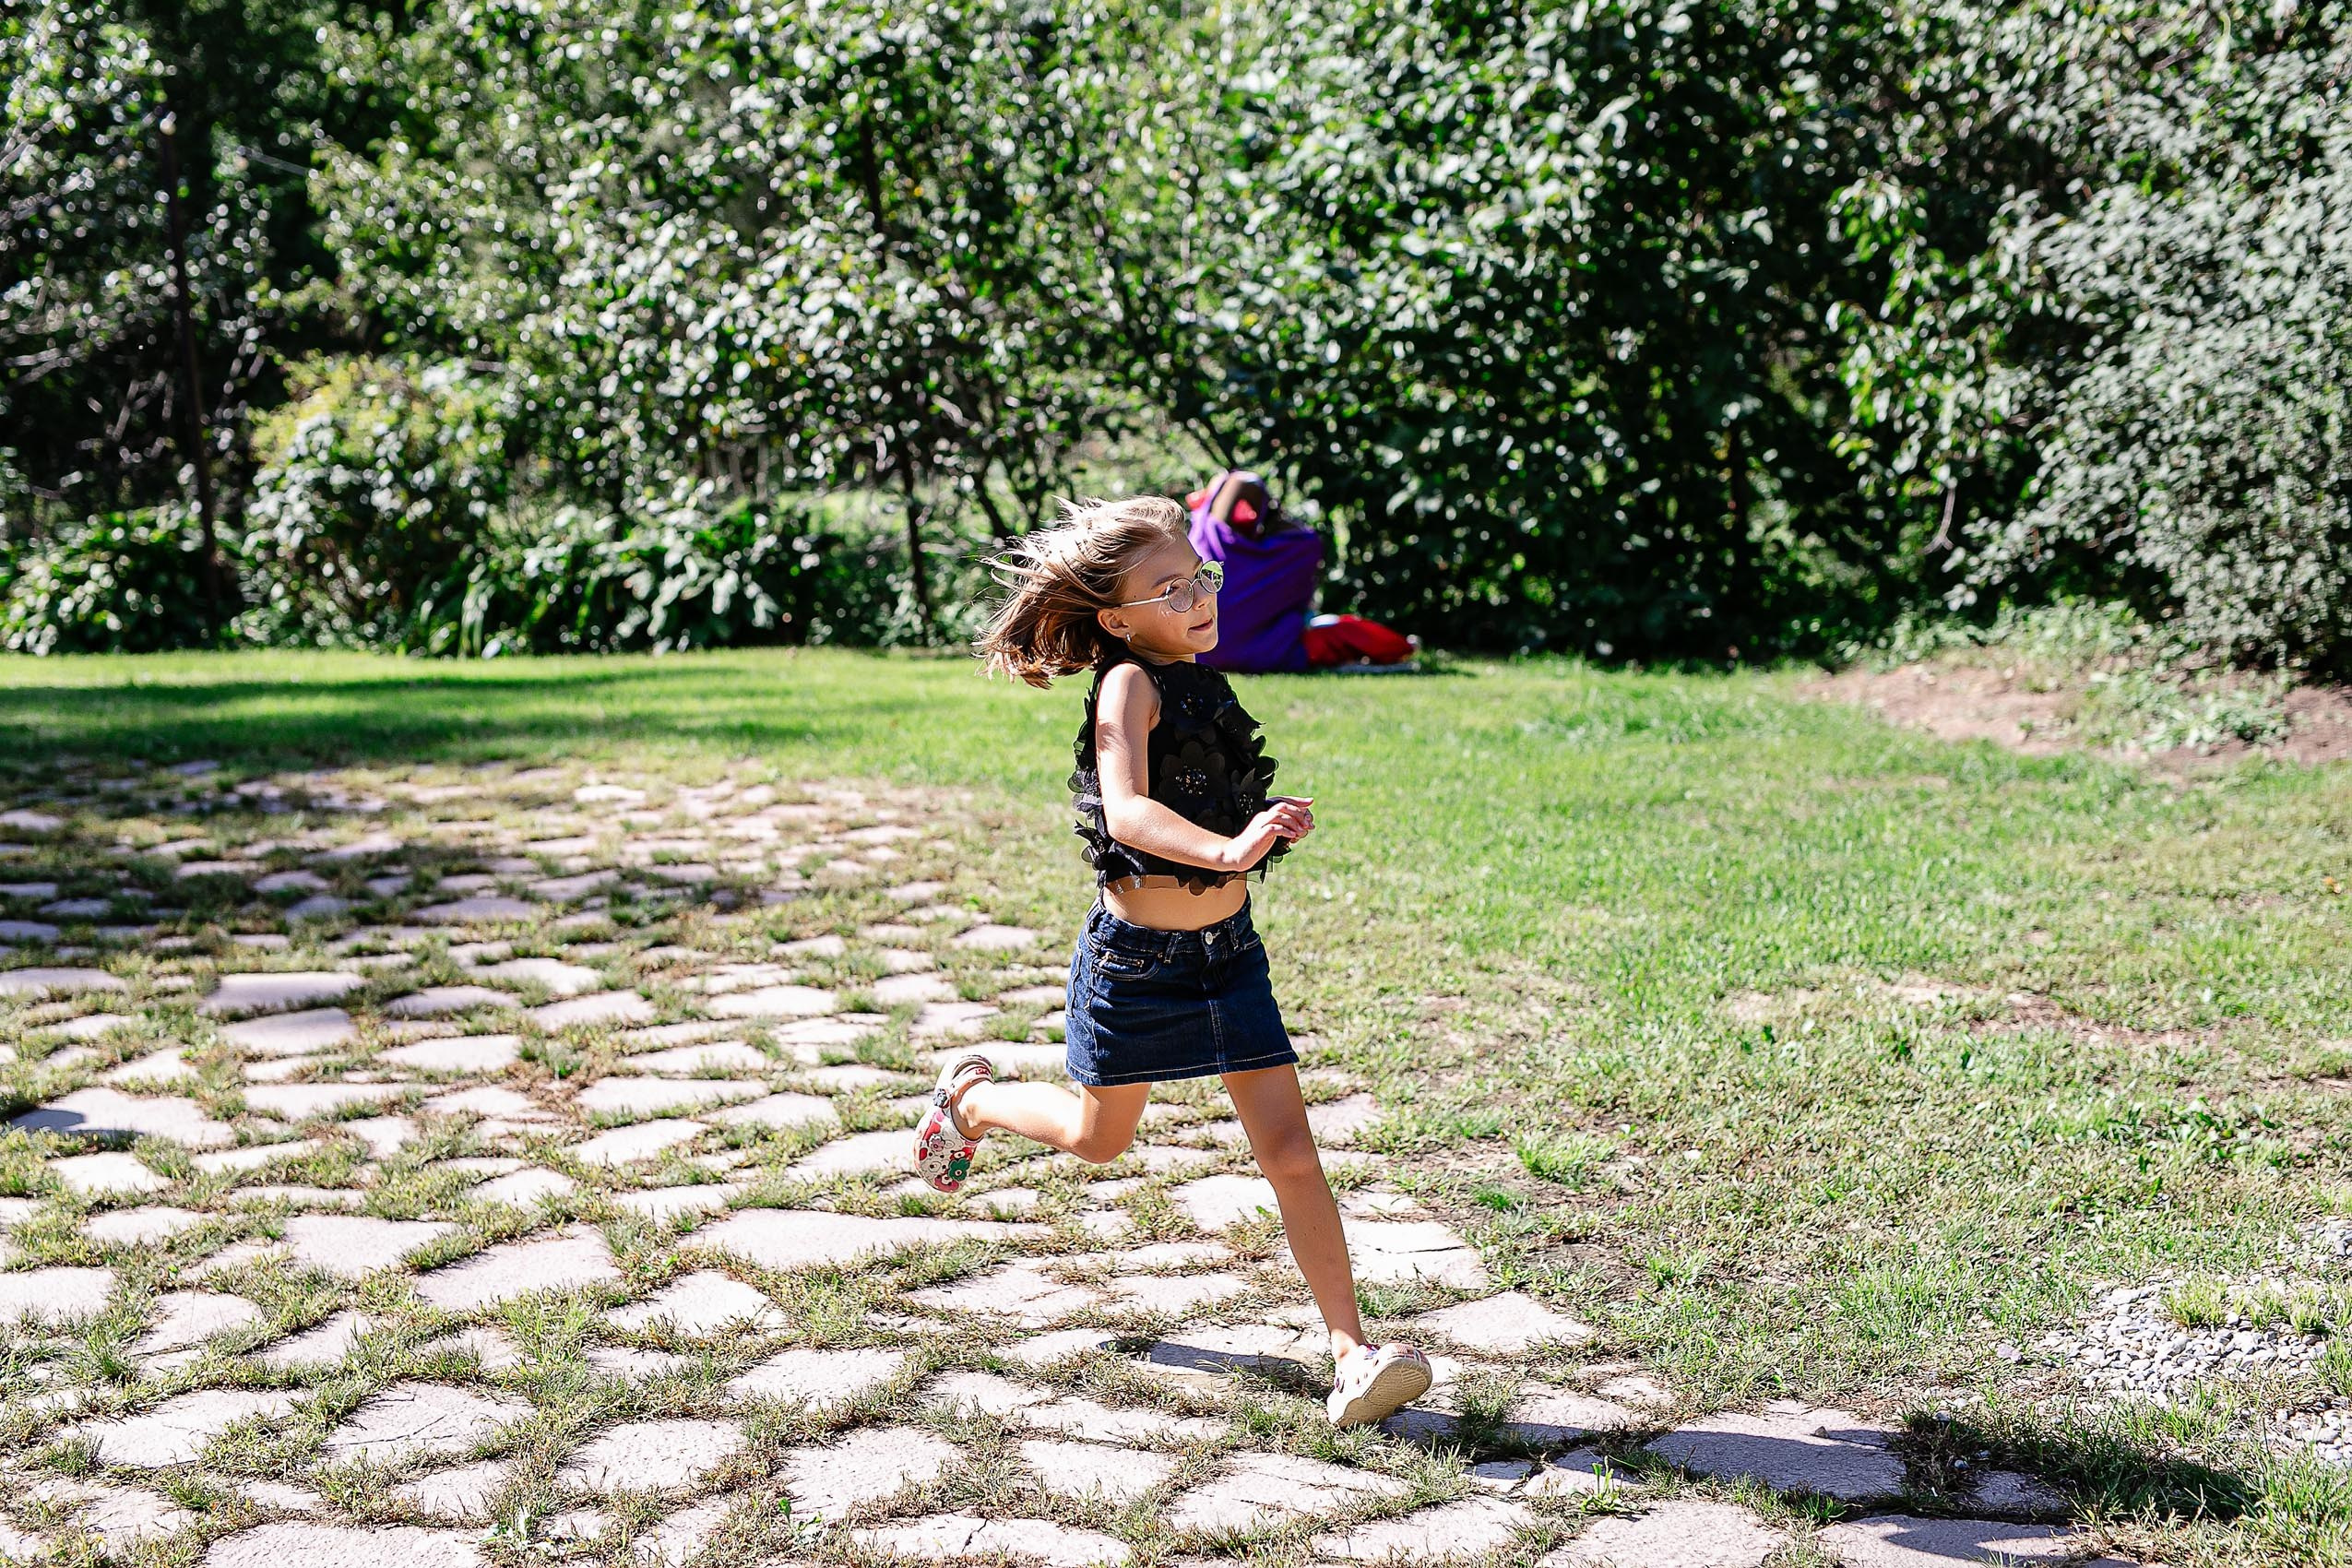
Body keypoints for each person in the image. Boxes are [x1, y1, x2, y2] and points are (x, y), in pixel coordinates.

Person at [914, 493, 1434, 1429]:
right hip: (1138, 962)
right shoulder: (1128, 685)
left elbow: (1201, 792)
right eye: (1171, 587)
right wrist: (1230, 850)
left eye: (1201, 574)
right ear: (1116, 619)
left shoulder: (1203, 675)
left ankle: (1351, 1352)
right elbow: (1129, 813)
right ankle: (972, 1101)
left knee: (1291, 1152)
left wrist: (1255, 829)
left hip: (1229, 955)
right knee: (1097, 1136)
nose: (1199, 595)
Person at [1185, 470, 1418, 673]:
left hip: (1206, 654)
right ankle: (1405, 646)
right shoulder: (1297, 551)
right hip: (1265, 652)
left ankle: (1403, 646)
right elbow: (1244, 481)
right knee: (1342, 632)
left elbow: (1239, 484)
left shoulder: (1208, 537)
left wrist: (1218, 486)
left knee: (1335, 632)